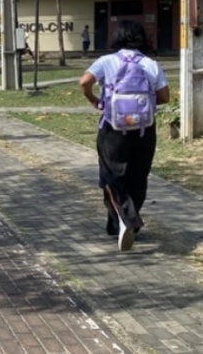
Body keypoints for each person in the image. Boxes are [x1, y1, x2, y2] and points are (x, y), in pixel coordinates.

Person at [78, 20, 170, 251]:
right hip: (144, 130)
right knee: (138, 177)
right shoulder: (151, 64)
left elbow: (84, 82)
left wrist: (94, 100)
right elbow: (165, 96)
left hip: (113, 129)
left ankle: (128, 220)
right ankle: (120, 224)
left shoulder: (106, 61)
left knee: (111, 177)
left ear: (117, 37)